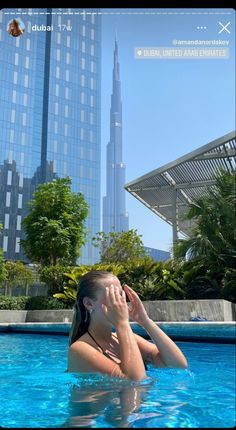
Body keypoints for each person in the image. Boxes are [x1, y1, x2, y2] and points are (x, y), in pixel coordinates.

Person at [68, 270, 187, 381]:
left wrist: (145, 321)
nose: (119, 303)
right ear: (89, 304)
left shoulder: (128, 339)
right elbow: (134, 381)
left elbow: (178, 365)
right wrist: (122, 324)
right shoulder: (79, 349)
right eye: (112, 296)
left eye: (120, 295)